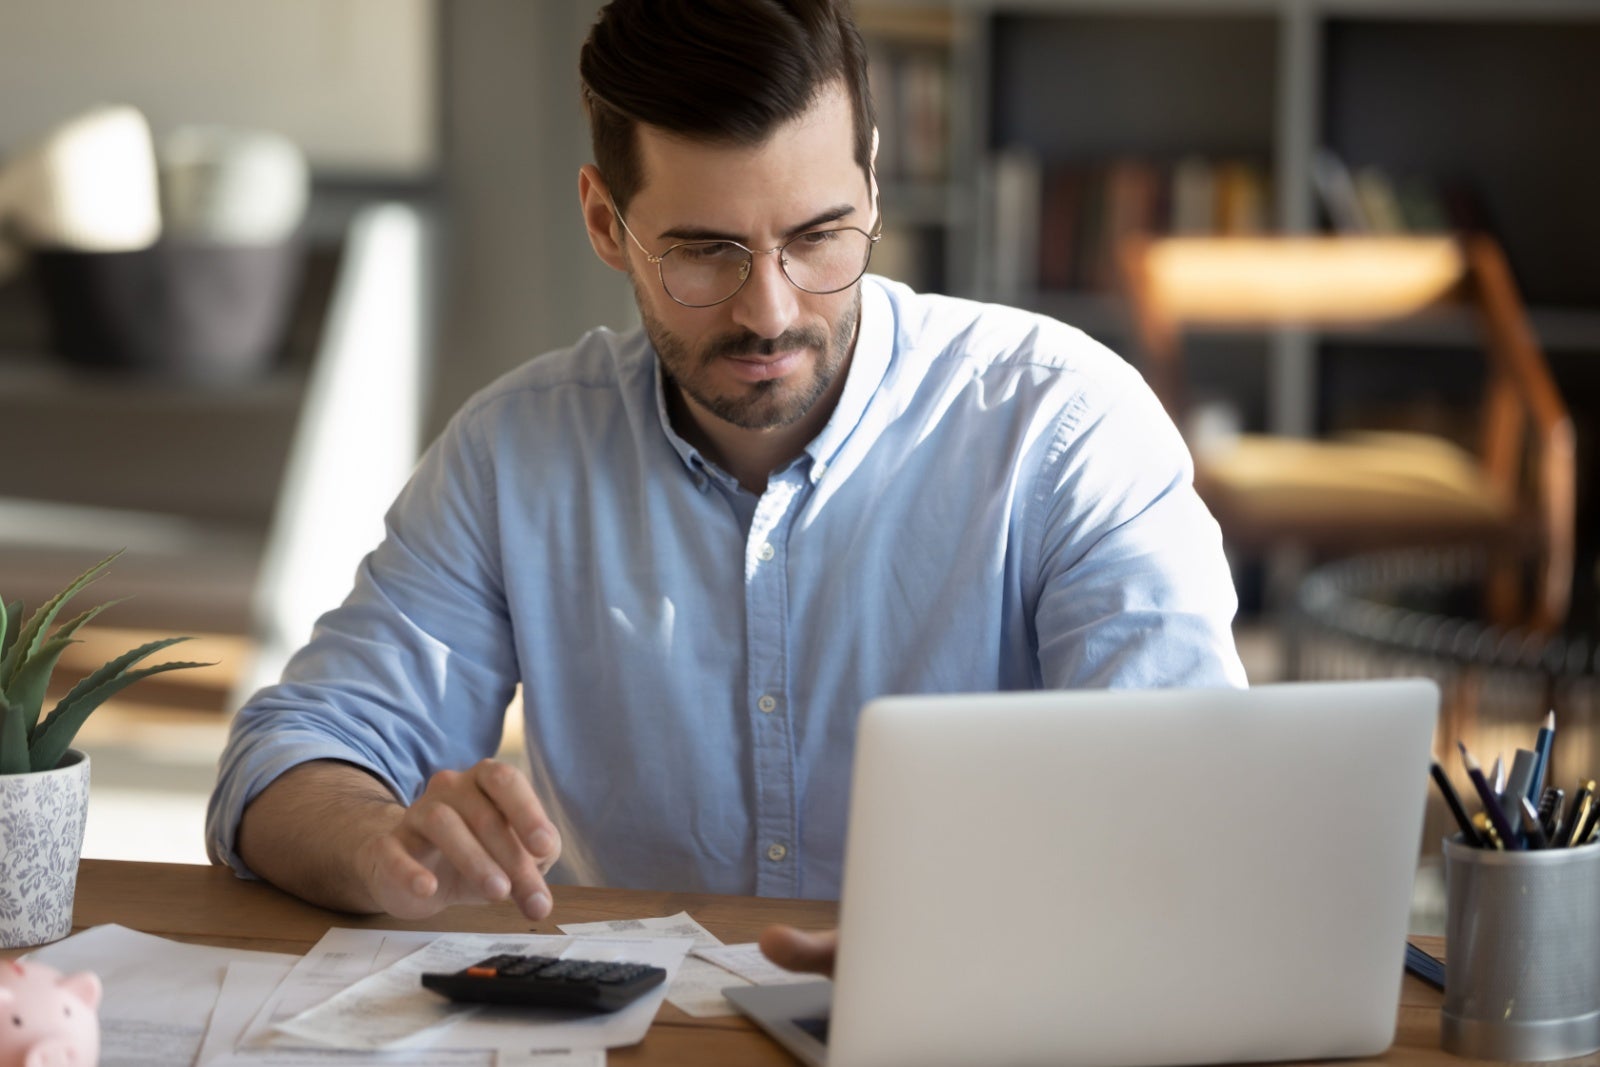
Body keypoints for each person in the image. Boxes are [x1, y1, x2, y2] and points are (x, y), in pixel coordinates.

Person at [205, 0, 1246, 947]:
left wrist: (960, 946)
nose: (771, 310)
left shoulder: (1062, 425)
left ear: (872, 185)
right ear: (606, 223)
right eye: (705, 252)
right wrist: (383, 839)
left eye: (819, 237)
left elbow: (1193, 797)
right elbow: (287, 754)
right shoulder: (513, 453)